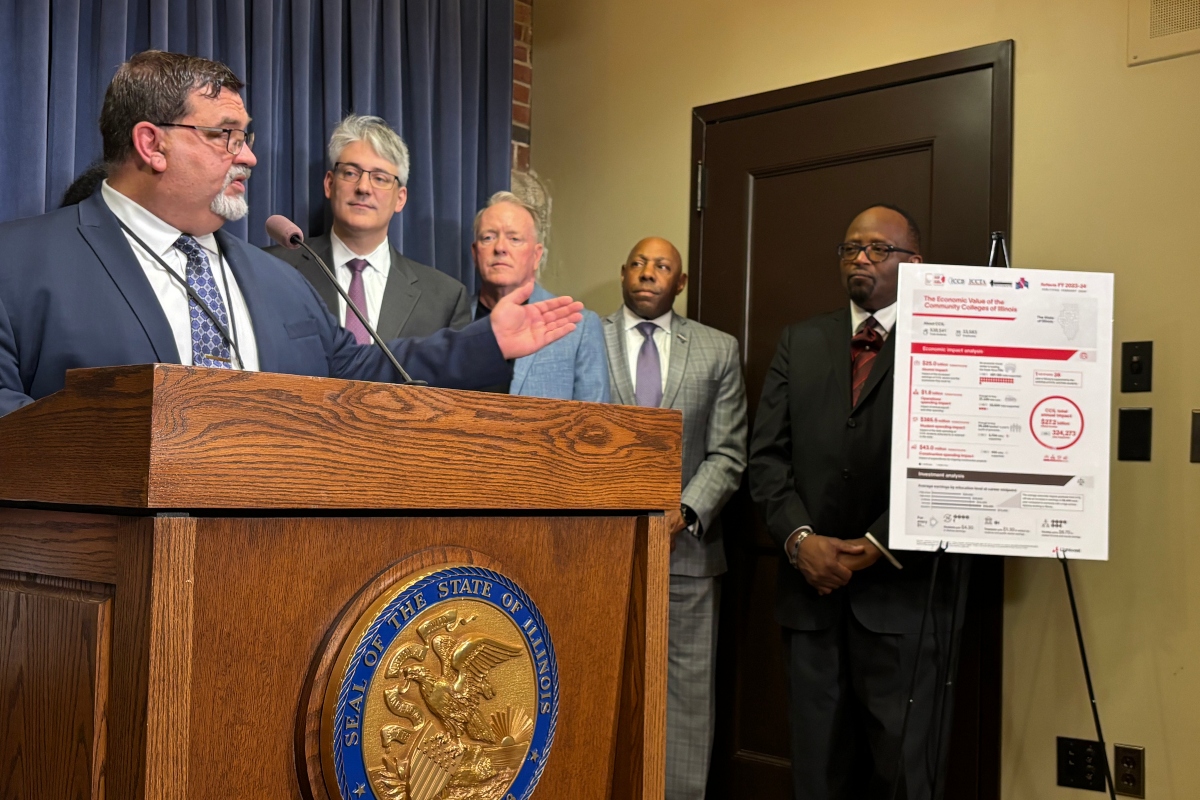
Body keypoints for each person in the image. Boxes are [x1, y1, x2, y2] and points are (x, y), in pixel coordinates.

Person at [0, 51, 581, 417]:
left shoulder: (278, 277)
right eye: (226, 135)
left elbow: (365, 374)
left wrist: (488, 342)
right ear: (152, 143)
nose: (248, 155)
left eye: (246, 135)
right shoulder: (18, 264)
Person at [748, 205, 967, 800]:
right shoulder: (802, 340)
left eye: (878, 248)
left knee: (904, 768)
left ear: (915, 263)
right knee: (817, 769)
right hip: (810, 597)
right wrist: (799, 540)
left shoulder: (947, 340)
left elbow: (957, 458)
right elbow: (766, 458)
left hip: (903, 597)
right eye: (850, 248)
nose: (861, 258)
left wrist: (878, 542)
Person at [602, 237, 745, 799]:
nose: (647, 272)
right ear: (622, 272)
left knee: (685, 700)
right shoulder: (586, 336)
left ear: (680, 283)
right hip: (600, 550)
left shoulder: (718, 349)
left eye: (662, 266)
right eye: (637, 262)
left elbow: (729, 451)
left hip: (685, 555)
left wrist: (682, 513)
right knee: (599, 681)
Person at [265, 114, 470, 339]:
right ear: (329, 184)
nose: (363, 187)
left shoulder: (445, 298)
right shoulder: (272, 269)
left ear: (400, 198)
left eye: (380, 178)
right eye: (351, 173)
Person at [471, 191, 608, 401]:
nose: (500, 248)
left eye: (514, 239)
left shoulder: (578, 327)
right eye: (488, 237)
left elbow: (597, 423)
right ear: (475, 253)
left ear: (536, 256)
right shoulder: (451, 317)